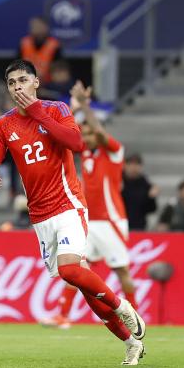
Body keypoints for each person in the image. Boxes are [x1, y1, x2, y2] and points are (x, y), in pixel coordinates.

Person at [0, 60, 146, 366]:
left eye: (22, 80)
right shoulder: (3, 124)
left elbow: (75, 142)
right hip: (40, 216)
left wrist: (39, 113)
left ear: (35, 83)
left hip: (68, 203)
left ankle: (123, 306)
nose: (17, 86)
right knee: (82, 284)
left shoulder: (57, 109)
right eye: (11, 82)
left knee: (71, 271)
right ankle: (130, 341)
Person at [40, 81, 139, 329]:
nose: (86, 136)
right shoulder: (85, 153)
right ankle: (63, 315)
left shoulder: (114, 152)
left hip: (110, 221)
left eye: (90, 133)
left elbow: (102, 134)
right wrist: (71, 111)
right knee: (75, 268)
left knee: (121, 271)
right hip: (87, 220)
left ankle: (134, 315)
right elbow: (67, 132)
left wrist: (84, 106)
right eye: (84, 134)